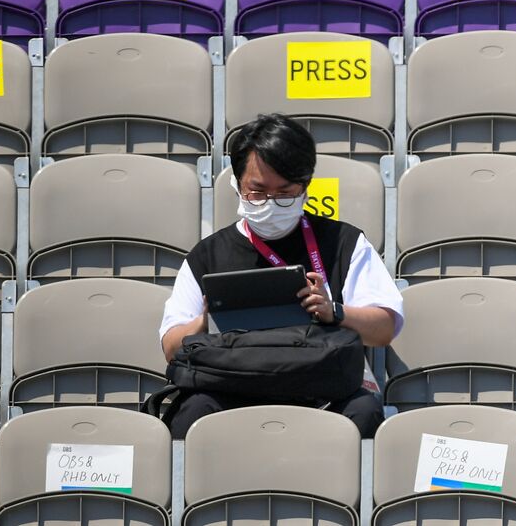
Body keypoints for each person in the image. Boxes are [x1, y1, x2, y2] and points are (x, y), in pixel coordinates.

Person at [158, 113, 403, 438]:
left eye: (285, 193)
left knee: (364, 411)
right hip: (231, 390)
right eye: (257, 192)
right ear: (236, 184)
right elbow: (171, 347)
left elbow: (384, 329)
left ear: (305, 187)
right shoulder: (208, 255)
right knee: (191, 412)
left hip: (318, 391)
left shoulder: (343, 242)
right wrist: (203, 321)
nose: (271, 204)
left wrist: (335, 311)